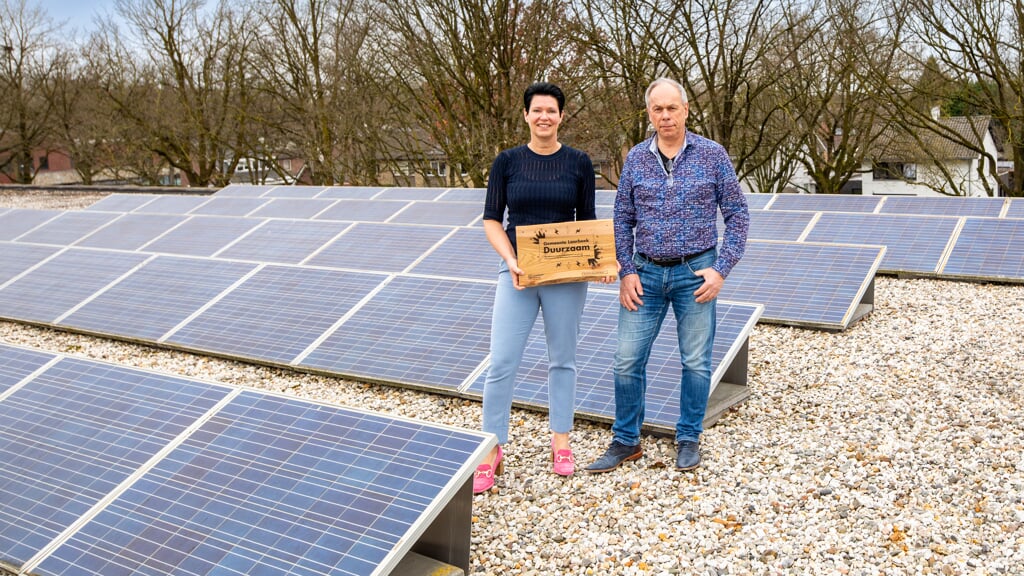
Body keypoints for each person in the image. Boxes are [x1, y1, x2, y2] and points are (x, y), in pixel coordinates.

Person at [585, 78, 749, 474]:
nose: (665, 116)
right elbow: (622, 220)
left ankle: (688, 438)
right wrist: (625, 270)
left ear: (686, 110)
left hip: (696, 273)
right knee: (626, 360)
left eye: (672, 108)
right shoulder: (637, 159)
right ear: (649, 114)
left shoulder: (713, 155)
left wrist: (721, 268)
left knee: (695, 362)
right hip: (645, 274)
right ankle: (626, 440)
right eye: (657, 109)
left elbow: (738, 215)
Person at [475, 81, 611, 494]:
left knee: (563, 360)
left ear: (561, 116)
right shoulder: (507, 162)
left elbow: (587, 221)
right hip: (516, 272)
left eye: (551, 110)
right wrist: (512, 261)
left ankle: (561, 441)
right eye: (537, 110)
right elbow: (491, 219)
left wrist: (602, 263)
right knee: (501, 362)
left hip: (564, 276)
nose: (544, 117)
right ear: (526, 115)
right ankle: (491, 448)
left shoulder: (579, 163)